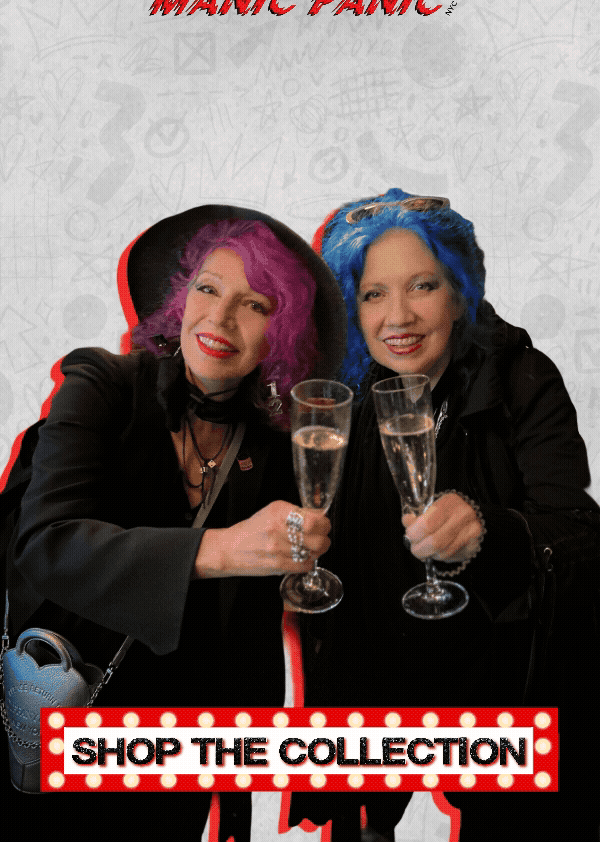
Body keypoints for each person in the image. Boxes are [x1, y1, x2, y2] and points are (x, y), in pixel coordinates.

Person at [3, 205, 346, 837]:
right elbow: (47, 546)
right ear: (181, 299)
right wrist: (222, 549)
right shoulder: (101, 382)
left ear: (281, 333)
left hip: (171, 757)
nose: (220, 317)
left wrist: (232, 797)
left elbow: (247, 640)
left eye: (255, 304)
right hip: (61, 709)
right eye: (208, 289)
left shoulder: (275, 446)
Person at [290, 189, 600, 841]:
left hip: (497, 688)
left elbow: (580, 538)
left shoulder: (521, 380)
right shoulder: (346, 394)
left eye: (423, 286)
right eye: (373, 294)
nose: (397, 316)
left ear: (460, 294)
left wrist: (492, 531)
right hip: (374, 689)